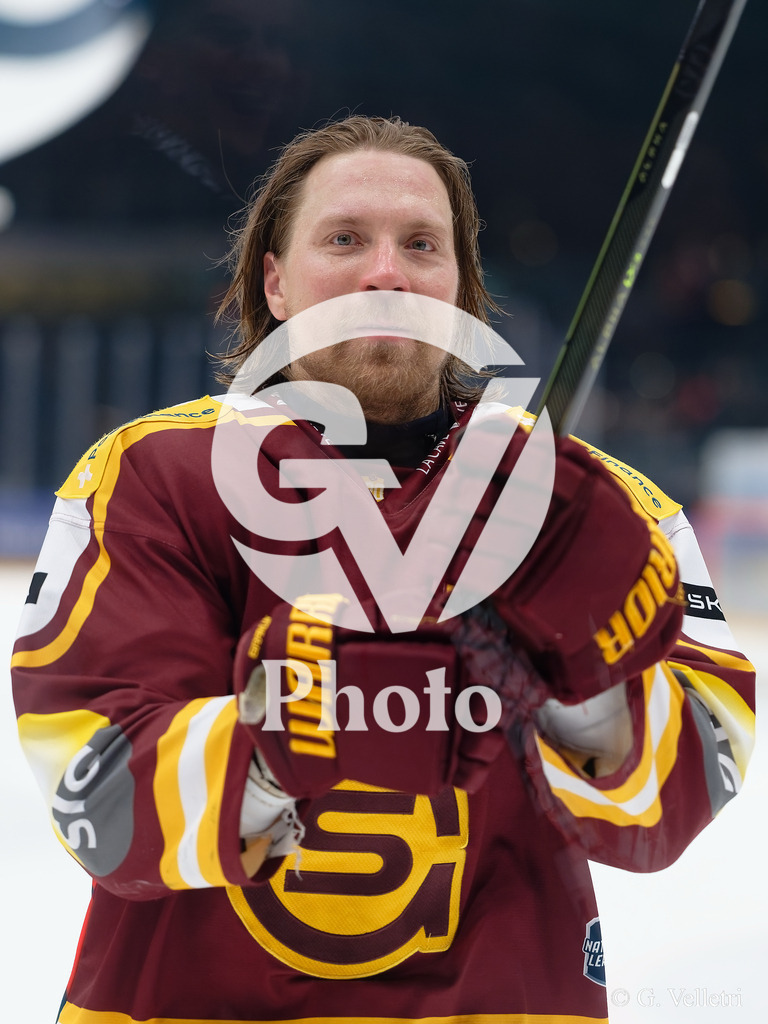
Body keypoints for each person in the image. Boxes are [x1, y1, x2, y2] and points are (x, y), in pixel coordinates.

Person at [11, 115, 755, 1024]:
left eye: (421, 246)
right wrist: (275, 750)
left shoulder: (595, 511)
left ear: (460, 291)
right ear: (275, 284)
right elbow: (96, 800)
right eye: (344, 240)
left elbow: (694, 785)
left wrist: (584, 685)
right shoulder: (153, 477)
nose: (386, 273)